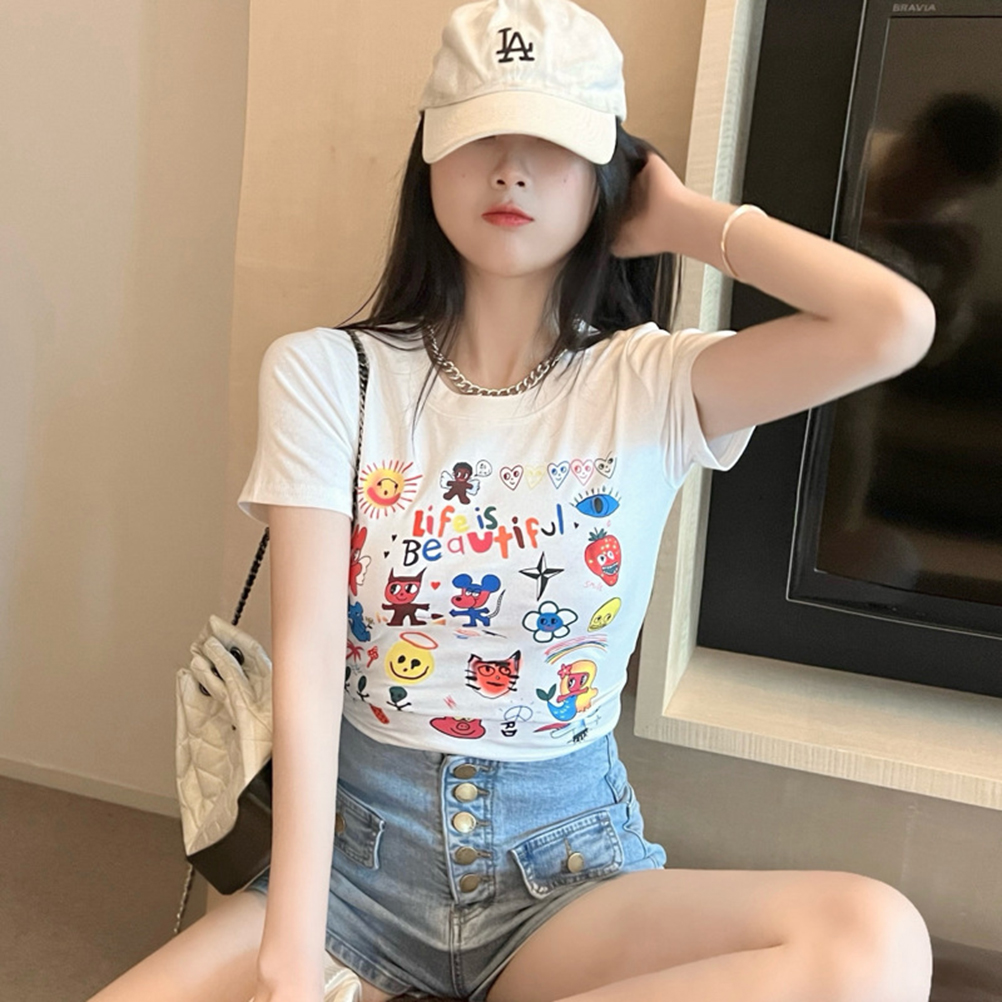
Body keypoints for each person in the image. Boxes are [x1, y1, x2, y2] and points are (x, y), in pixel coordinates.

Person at [89, 1, 937, 1001]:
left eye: (553, 143)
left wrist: (683, 220)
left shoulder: (654, 383)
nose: (511, 170)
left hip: (562, 877)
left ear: (607, 174)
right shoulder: (327, 373)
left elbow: (892, 323)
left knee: (874, 943)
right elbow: (310, 658)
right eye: (481, 135)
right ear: (431, 159)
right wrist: (290, 955)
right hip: (353, 870)